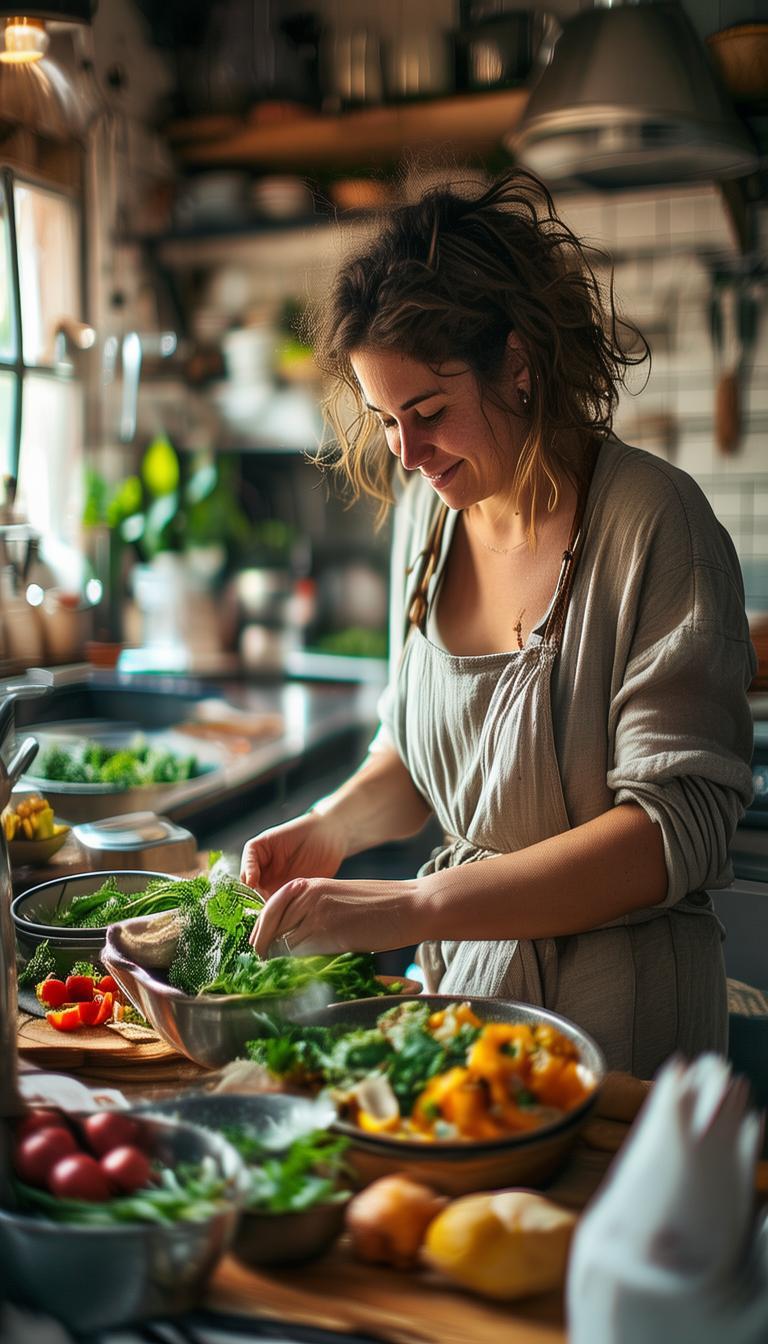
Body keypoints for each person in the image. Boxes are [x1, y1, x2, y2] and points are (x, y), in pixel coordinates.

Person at [242, 170, 755, 1077]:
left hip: (621, 1031)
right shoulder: (430, 520)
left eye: (429, 413)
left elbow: (672, 828)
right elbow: (423, 758)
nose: (406, 454)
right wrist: (331, 826)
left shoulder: (652, 523)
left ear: (518, 364)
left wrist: (416, 905)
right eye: (384, 420)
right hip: (463, 1011)